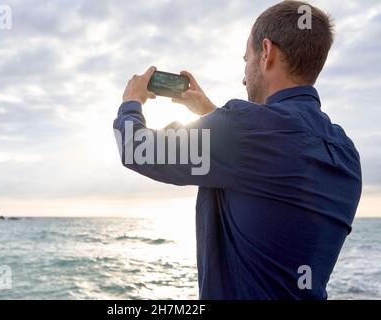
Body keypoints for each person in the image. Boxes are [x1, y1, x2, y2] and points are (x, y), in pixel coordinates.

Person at [113, 1, 362, 299]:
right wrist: (209, 112)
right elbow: (265, 167)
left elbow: (136, 149)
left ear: (267, 52)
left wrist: (131, 102)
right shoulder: (346, 153)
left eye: (247, 59)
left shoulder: (246, 128)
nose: (244, 77)